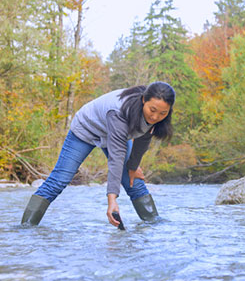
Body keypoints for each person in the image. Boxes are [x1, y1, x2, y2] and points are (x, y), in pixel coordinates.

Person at [21, 81, 175, 228]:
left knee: (134, 181)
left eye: (162, 113)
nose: (155, 117)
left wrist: (133, 167)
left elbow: (143, 140)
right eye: (152, 110)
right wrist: (112, 199)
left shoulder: (155, 117)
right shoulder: (119, 111)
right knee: (59, 181)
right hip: (86, 129)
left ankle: (154, 226)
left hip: (116, 133)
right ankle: (26, 229)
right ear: (143, 100)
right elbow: (116, 158)